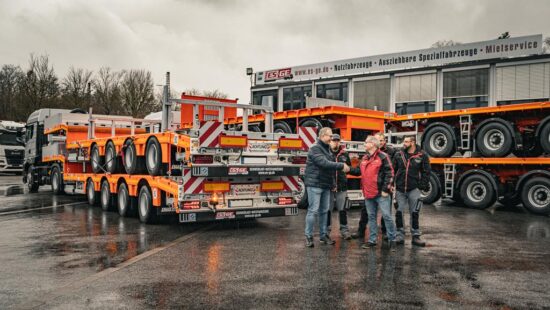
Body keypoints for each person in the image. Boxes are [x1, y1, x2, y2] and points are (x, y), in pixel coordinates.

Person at [304, 127, 350, 248]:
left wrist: (333, 183)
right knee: (313, 210)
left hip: (325, 185)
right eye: (329, 136)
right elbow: (323, 163)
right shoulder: (315, 148)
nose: (331, 138)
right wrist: (341, 165)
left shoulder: (327, 149)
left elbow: (329, 170)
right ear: (322, 136)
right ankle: (308, 236)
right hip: (315, 184)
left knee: (324, 211)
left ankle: (323, 235)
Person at [352, 132, 397, 241]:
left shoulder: (383, 156)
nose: (364, 144)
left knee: (386, 216)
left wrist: (385, 189)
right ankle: (372, 240)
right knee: (371, 217)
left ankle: (392, 239)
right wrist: (347, 169)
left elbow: (390, 173)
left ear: (372, 144)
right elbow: (359, 170)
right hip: (368, 193)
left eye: (366, 142)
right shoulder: (365, 158)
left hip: (381, 193)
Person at [392, 135, 431, 247]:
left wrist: (421, 186)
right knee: (399, 212)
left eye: (406, 141)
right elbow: (392, 170)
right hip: (400, 189)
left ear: (413, 142)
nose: (404, 143)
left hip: (414, 189)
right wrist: (392, 184)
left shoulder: (422, 155)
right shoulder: (399, 154)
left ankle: (415, 236)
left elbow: (426, 172)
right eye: (403, 141)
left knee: (414, 213)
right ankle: (400, 235)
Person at [326, 134, 360, 240]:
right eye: (333, 140)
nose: (336, 142)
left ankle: (344, 230)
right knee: (328, 209)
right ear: (329, 141)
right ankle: (326, 231)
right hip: (328, 186)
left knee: (342, 209)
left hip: (342, 186)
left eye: (337, 140)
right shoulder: (325, 153)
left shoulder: (344, 154)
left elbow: (348, 168)